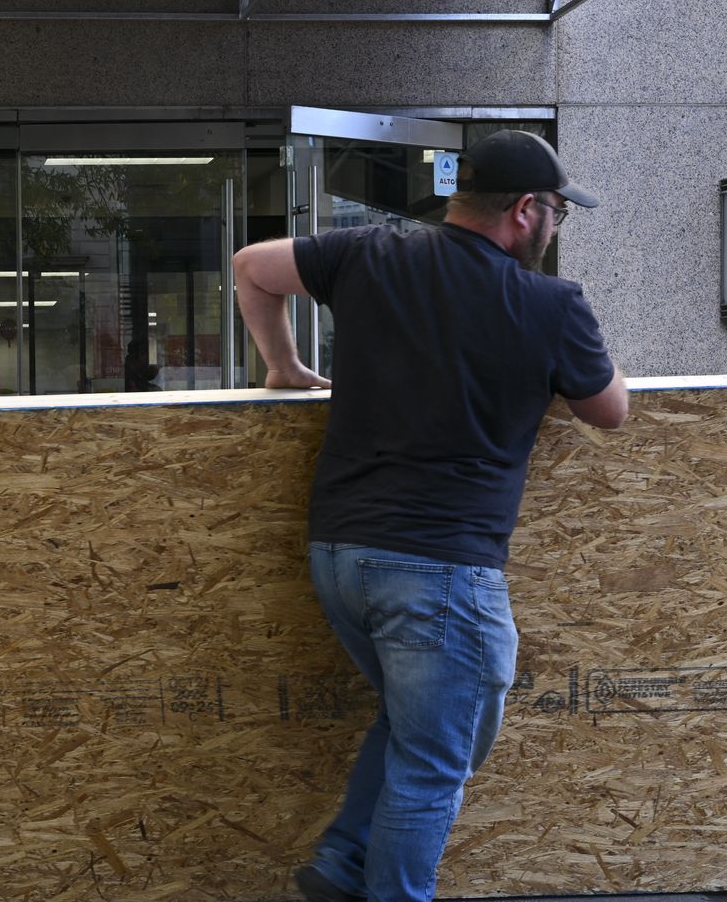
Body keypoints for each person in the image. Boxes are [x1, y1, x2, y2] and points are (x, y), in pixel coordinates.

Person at [231, 130, 628, 902]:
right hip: (440, 570)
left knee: (414, 728)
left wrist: (282, 366)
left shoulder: (371, 253)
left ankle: (345, 860)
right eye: (556, 213)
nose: (554, 229)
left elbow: (252, 269)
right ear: (525, 211)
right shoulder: (550, 303)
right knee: (438, 760)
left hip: (340, 556)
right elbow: (608, 410)